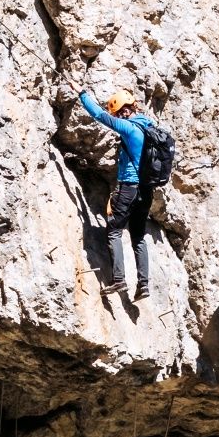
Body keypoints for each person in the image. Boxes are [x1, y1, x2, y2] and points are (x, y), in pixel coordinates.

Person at [78, 87, 153, 298]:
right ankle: (143, 285)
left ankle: (119, 280)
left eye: (118, 113)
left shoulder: (129, 128)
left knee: (114, 231)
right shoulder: (149, 127)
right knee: (138, 237)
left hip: (129, 186)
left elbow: (99, 115)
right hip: (146, 190)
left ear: (123, 111)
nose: (117, 117)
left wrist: (82, 94)